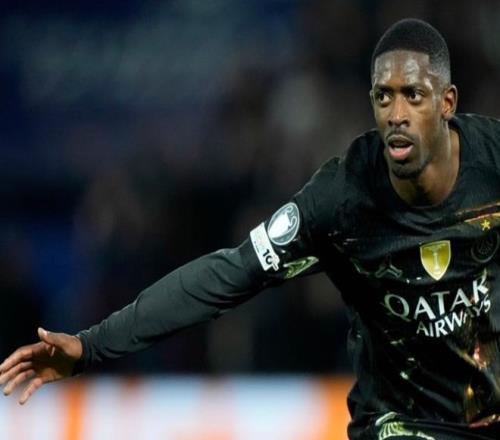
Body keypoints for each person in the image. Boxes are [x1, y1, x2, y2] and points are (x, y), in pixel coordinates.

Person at [2, 18, 500, 440]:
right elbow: (227, 274)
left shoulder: (493, 164)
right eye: (383, 97)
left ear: (447, 101)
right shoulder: (342, 198)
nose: (396, 115)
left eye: (413, 95)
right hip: (399, 426)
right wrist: (91, 345)